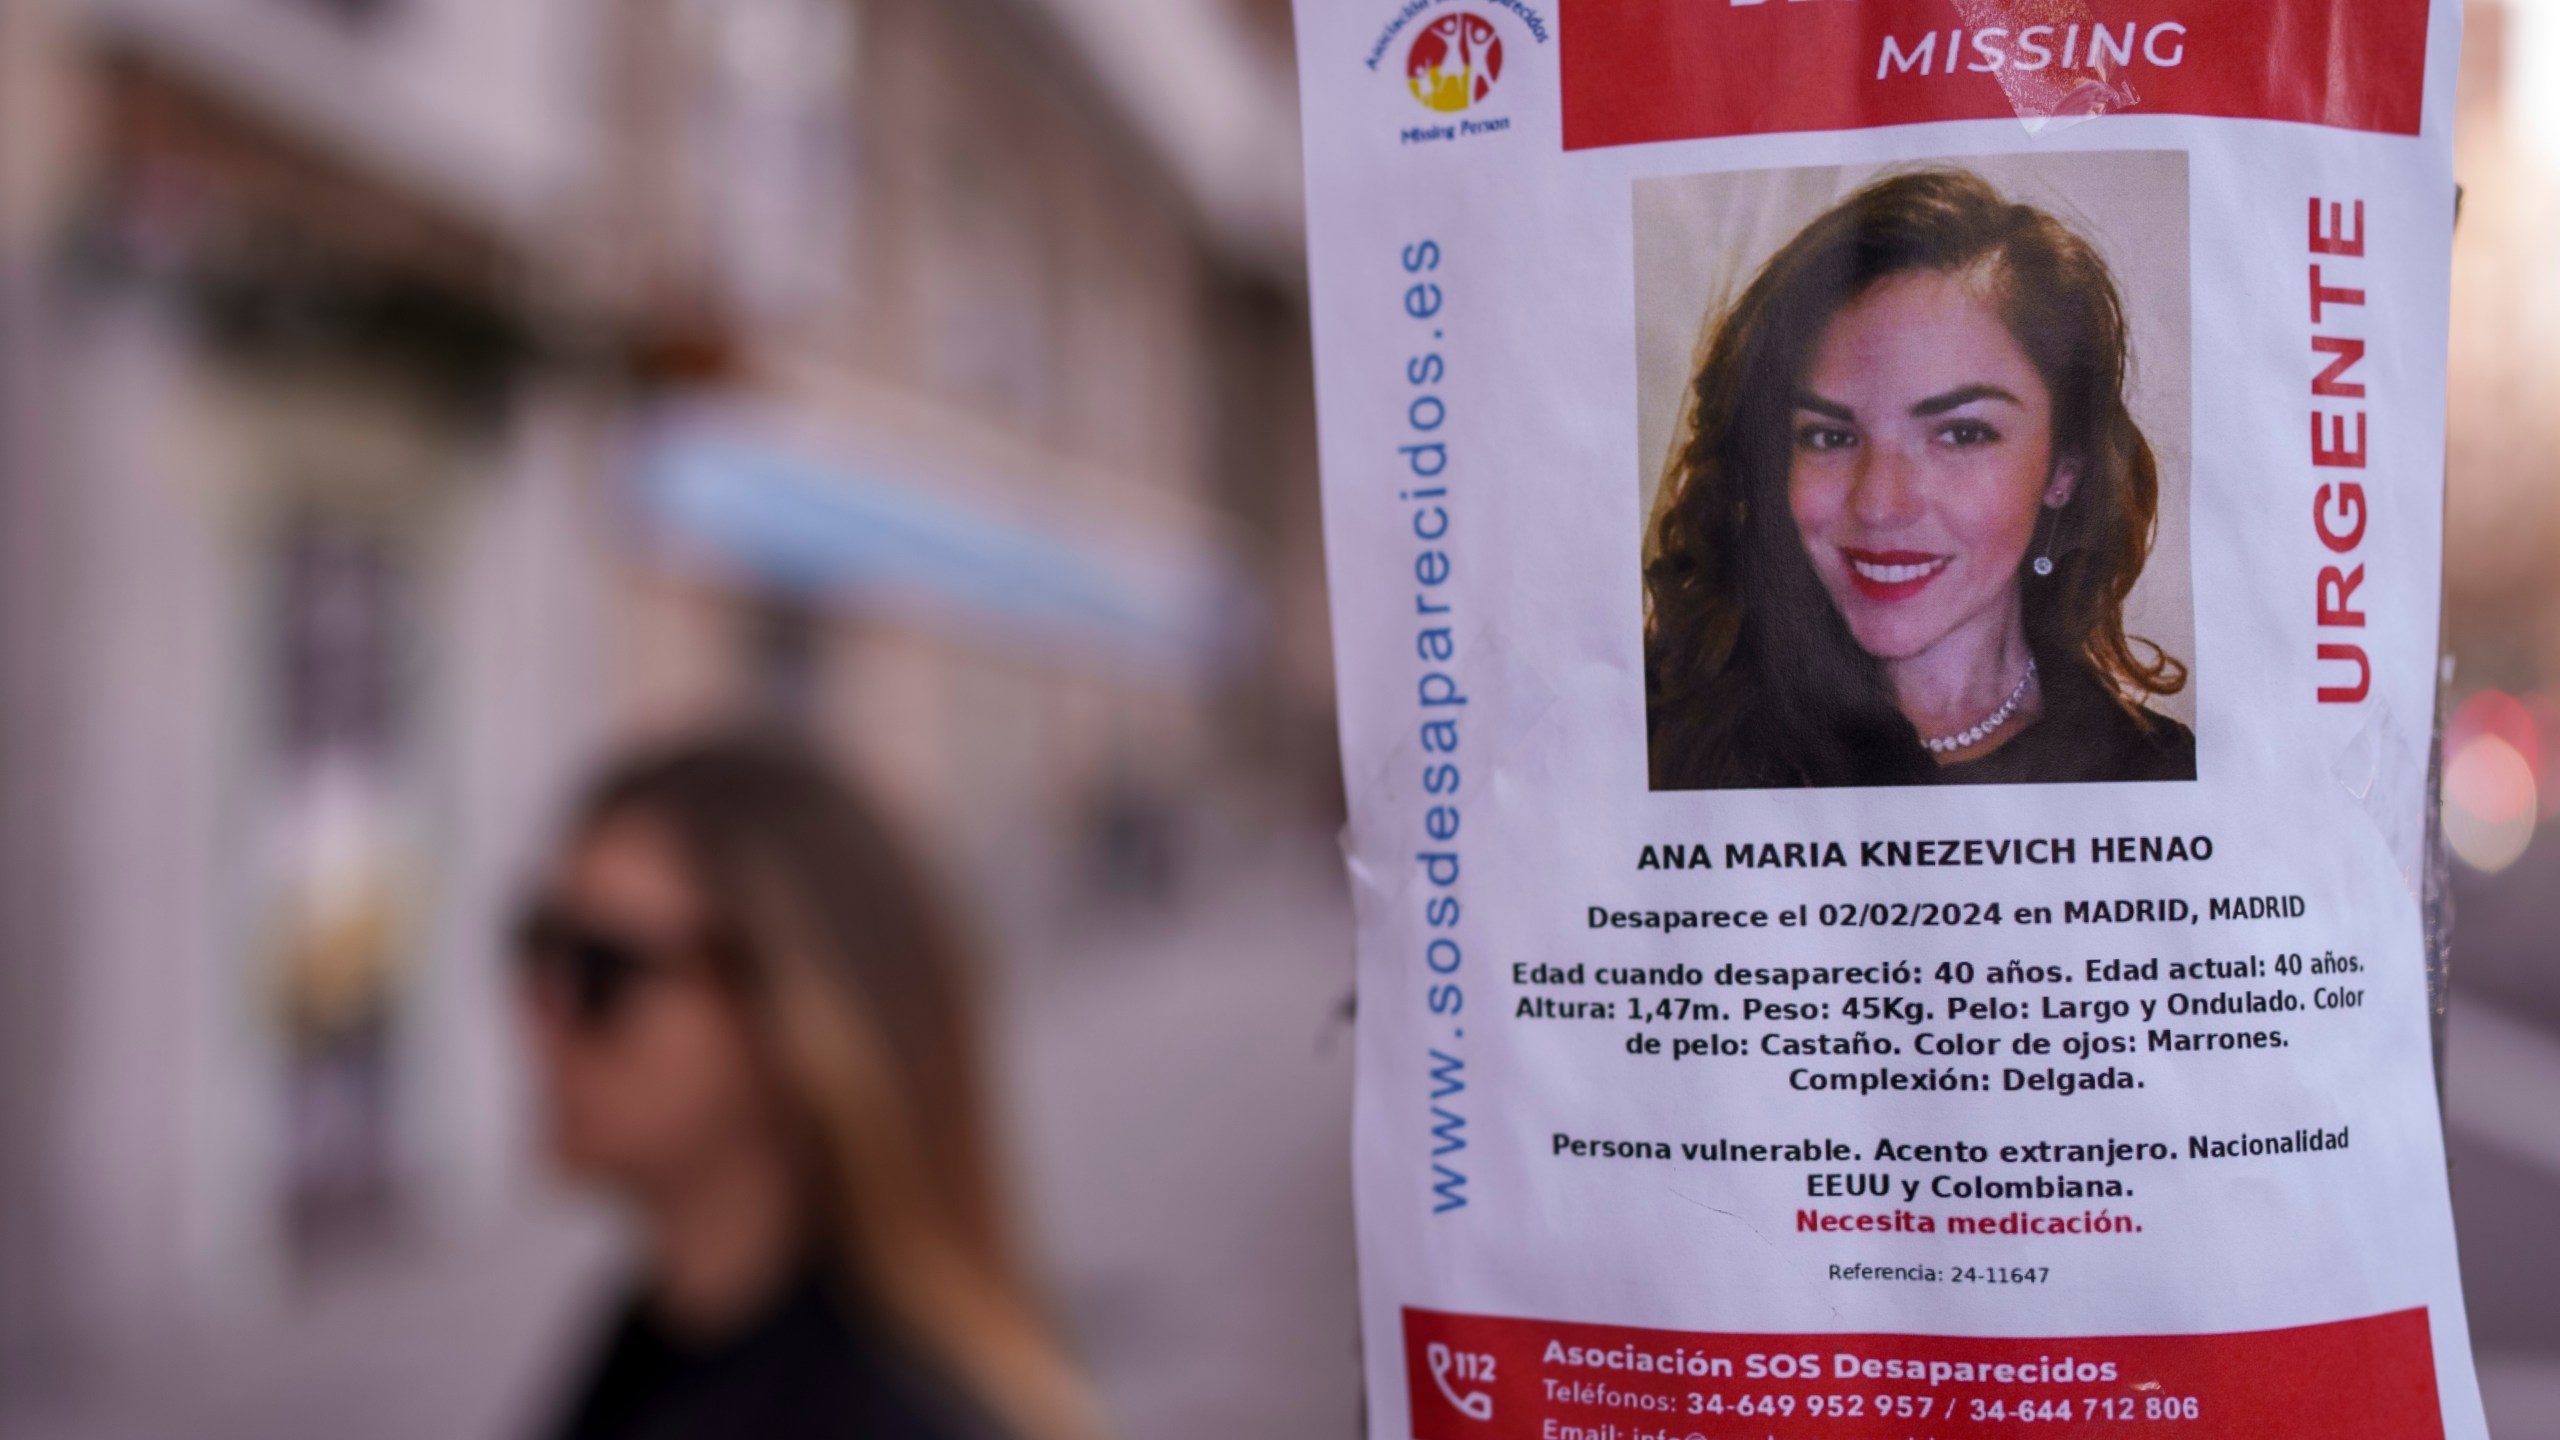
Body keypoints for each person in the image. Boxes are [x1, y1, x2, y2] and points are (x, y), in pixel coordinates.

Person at [512, 735, 1098, 1440]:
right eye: (534, 945)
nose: (540, 1010)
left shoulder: (888, 1413)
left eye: (599, 968)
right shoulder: (660, 1325)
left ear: (787, 1021)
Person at [1645, 169, 2194, 790]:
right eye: (1829, 436)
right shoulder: (1659, 732)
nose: (1880, 504)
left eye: (1961, 434)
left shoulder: (2158, 774)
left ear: (2063, 469)